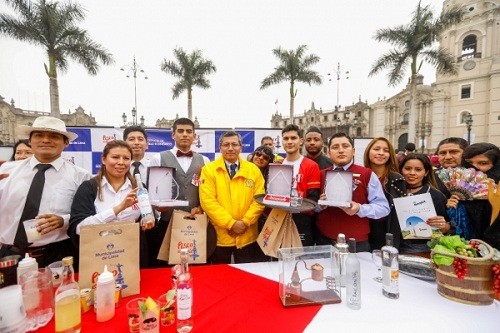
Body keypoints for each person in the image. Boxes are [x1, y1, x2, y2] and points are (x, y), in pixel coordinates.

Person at [0, 116, 90, 267]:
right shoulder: (6, 171)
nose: (46, 140)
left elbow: (88, 214)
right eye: (39, 135)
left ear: (65, 143)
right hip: (11, 255)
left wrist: (64, 220)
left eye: (54, 136)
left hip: (59, 255)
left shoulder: (81, 176)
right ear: (30, 140)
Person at [68, 140, 150, 267]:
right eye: (115, 157)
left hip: (132, 254)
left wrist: (148, 220)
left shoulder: (138, 187)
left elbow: (145, 218)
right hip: (99, 255)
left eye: (126, 158)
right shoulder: (89, 187)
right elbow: (79, 229)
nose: (121, 162)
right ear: (103, 159)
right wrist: (118, 208)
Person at [148, 117, 211, 267]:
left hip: (195, 222)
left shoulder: (205, 160)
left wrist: (202, 208)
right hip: (167, 221)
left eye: (189, 131)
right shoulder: (158, 158)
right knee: (166, 267)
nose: (185, 134)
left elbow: (207, 192)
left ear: (194, 136)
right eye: (180, 131)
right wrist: (157, 208)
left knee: (196, 264)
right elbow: (152, 192)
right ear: (173, 134)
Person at [316, 133, 390, 252]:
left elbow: (383, 208)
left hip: (357, 243)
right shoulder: (321, 174)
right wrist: (320, 206)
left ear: (353, 151)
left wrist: (359, 209)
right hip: (325, 240)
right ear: (329, 153)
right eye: (335, 147)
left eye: (345, 146)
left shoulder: (367, 174)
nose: (341, 150)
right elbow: (313, 207)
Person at [199, 131, 265, 264]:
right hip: (220, 236)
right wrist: (231, 224)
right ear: (220, 148)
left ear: (241, 147)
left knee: (246, 278)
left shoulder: (253, 170)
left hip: (247, 235)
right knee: (221, 278)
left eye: (234, 144)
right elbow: (208, 201)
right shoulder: (209, 170)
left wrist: (245, 222)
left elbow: (260, 199)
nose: (230, 148)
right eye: (226, 144)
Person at [399, 153, 452, 255]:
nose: (412, 173)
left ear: (426, 172)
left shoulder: (436, 196)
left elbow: (448, 226)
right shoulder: (394, 192)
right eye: (408, 168)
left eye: (418, 169)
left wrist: (443, 225)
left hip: (422, 248)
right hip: (395, 244)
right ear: (401, 170)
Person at [281, 124, 321, 246]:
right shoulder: (278, 164)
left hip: (302, 219)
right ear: (282, 141)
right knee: (280, 257)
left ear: (301, 141)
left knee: (302, 259)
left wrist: (292, 204)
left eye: (293, 138)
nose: (289, 142)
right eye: (286, 138)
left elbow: (313, 199)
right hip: (280, 217)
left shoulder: (311, 165)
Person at [364, 137, 406, 250]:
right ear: (368, 152)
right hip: (364, 230)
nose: (381, 153)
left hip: (387, 231)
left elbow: (399, 213)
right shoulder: (361, 175)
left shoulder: (397, 179)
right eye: (376, 149)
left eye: (386, 150)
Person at [461, 142, 500, 249]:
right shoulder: (458, 185)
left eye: (483, 163)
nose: (475, 168)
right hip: (465, 250)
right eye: (469, 163)